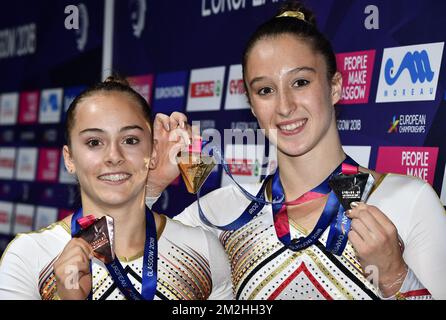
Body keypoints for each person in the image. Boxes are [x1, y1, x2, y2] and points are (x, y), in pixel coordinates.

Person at [146, 1, 446, 300]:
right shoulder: (221, 212)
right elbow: (112, 268)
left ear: (335, 86)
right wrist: (151, 187)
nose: (285, 106)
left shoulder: (408, 201)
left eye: (300, 82)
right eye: (265, 90)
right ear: (251, 104)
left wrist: (396, 278)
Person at [0, 77, 232, 300]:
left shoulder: (203, 250)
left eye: (130, 140)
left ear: (152, 152)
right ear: (69, 159)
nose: (113, 156)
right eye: (94, 142)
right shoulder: (30, 255)